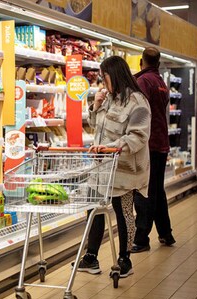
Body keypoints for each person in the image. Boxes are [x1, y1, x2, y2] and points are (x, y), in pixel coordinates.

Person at [76, 56, 151, 277]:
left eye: (104, 76)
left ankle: (124, 259)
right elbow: (94, 126)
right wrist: (96, 105)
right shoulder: (109, 98)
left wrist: (112, 148)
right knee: (93, 210)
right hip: (100, 169)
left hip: (123, 171)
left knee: (123, 212)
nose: (101, 81)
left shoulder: (137, 102)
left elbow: (138, 136)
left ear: (114, 75)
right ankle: (91, 257)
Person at [131, 47, 176, 252]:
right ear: (158, 64)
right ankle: (166, 233)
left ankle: (141, 239)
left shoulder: (143, 81)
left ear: (142, 62)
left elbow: (138, 111)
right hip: (161, 142)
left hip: (147, 144)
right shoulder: (161, 83)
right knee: (156, 189)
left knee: (144, 191)